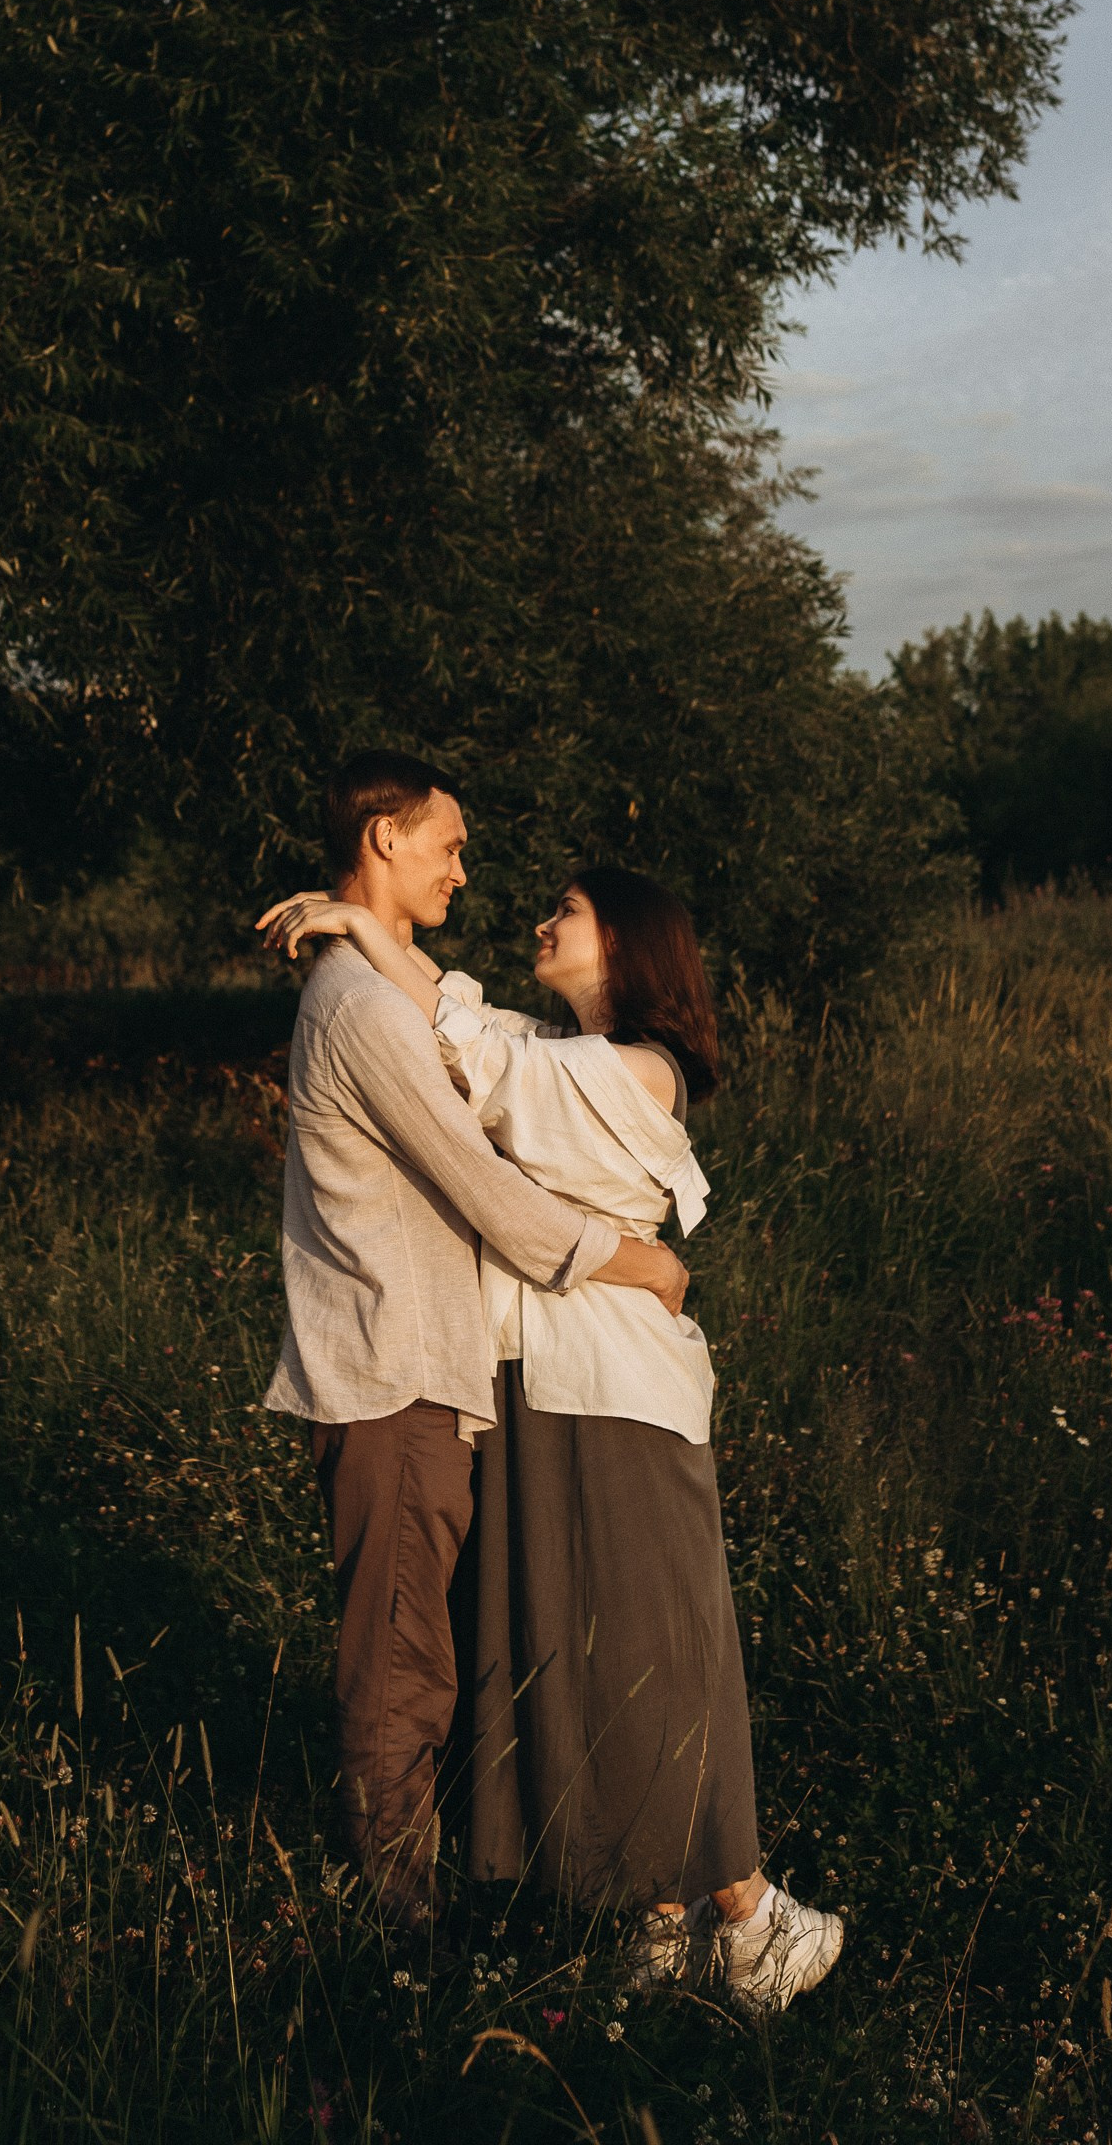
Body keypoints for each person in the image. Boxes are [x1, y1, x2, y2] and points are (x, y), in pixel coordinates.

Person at [259, 859, 844, 2013]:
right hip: (539, 1379)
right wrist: (357, 923)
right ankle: (664, 1920)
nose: (537, 917)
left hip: (613, 1381)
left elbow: (485, 1062)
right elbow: (462, 1022)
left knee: (653, 1647)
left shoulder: (639, 1071)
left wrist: (368, 933)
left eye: (565, 911)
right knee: (578, 1645)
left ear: (624, 943)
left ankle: (755, 1909)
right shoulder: (553, 1045)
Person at [253, 752, 691, 1940]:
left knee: (421, 1642)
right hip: (394, 1372)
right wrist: (644, 1261)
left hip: (422, 1368)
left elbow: (484, 1046)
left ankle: (442, 1890)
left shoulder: (373, 991)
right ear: (384, 838)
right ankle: (402, 1930)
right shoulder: (357, 1008)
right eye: (446, 842)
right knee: (402, 1662)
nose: (462, 864)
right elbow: (496, 1199)